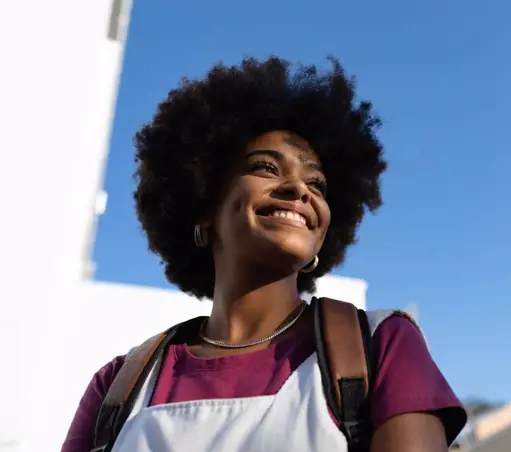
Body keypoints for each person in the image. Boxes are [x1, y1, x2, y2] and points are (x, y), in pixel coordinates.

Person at [62, 56, 466, 452]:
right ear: (203, 203)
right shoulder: (118, 387)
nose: (299, 190)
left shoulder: (381, 345)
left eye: (318, 184)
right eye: (267, 168)